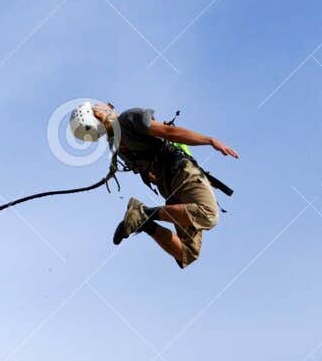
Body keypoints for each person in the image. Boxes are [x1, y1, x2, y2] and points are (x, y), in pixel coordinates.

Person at [69, 102, 238, 269]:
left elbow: (148, 175)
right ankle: (144, 214)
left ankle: (145, 223)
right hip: (181, 172)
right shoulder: (128, 119)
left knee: (187, 253)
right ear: (97, 114)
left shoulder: (118, 145)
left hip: (169, 187)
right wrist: (209, 140)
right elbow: (169, 132)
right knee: (208, 215)